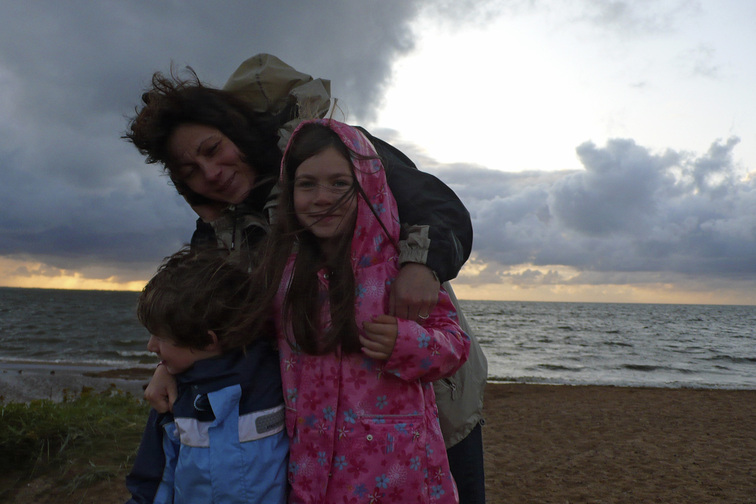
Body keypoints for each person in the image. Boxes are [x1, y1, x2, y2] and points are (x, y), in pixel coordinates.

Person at [125, 53, 487, 503]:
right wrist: (168, 365)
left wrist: (421, 265)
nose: (211, 174)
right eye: (190, 172)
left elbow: (440, 207)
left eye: (213, 150)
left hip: (432, 406)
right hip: (321, 437)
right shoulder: (219, 232)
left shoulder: (333, 154)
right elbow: (205, 317)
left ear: (236, 131)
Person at [252, 118, 470, 503]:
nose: (322, 197)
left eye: (340, 183)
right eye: (307, 184)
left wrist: (408, 343)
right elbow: (249, 337)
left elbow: (456, 345)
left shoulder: (401, 271)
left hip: (402, 477)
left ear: (368, 185)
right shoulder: (281, 276)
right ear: (289, 192)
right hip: (310, 474)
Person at [125, 248, 288, 504]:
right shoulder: (172, 399)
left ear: (207, 340)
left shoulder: (278, 380)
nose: (150, 346)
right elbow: (154, 482)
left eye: (161, 337)